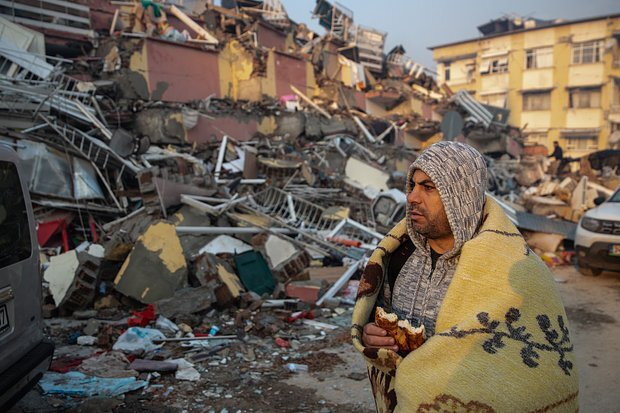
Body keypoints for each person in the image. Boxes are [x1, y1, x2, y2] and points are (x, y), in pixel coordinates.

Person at [351, 141, 578, 413]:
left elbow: (536, 378)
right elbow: (378, 322)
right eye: (413, 185)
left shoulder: (514, 270)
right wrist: (372, 335)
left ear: (459, 196)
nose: (411, 197)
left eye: (428, 187)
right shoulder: (398, 256)